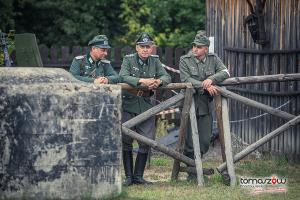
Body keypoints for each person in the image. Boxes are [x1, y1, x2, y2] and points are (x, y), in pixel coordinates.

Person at [119, 32, 171, 186]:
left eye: (148, 47)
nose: (145, 49)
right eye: (142, 46)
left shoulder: (155, 61)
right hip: (129, 103)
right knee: (126, 139)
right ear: (137, 47)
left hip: (146, 106)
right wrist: (141, 80)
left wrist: (159, 82)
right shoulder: (128, 60)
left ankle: (138, 177)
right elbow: (122, 76)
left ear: (152, 48)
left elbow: (167, 77)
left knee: (146, 140)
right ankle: (129, 177)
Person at [179, 33, 230, 181]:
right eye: (194, 46)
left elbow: (225, 72)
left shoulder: (213, 59)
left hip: (205, 104)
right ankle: (193, 173)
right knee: (189, 141)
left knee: (205, 140)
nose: (195, 49)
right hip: (189, 103)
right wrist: (204, 85)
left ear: (206, 49)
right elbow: (185, 79)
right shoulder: (185, 60)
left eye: (199, 47)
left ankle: (196, 169)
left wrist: (211, 79)